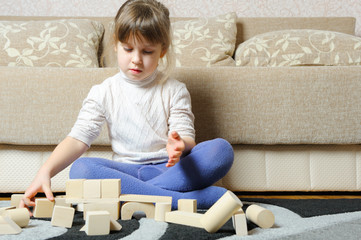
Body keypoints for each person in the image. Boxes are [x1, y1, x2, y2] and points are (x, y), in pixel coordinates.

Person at [20, 0, 234, 211]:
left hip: (168, 171)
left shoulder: (175, 90)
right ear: (116, 44)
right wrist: (45, 171)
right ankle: (183, 200)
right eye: (128, 49)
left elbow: (187, 138)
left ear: (162, 50)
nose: (136, 59)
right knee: (82, 169)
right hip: (126, 173)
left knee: (221, 150)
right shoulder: (103, 91)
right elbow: (78, 139)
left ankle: (138, 197)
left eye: (147, 51)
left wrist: (181, 146)